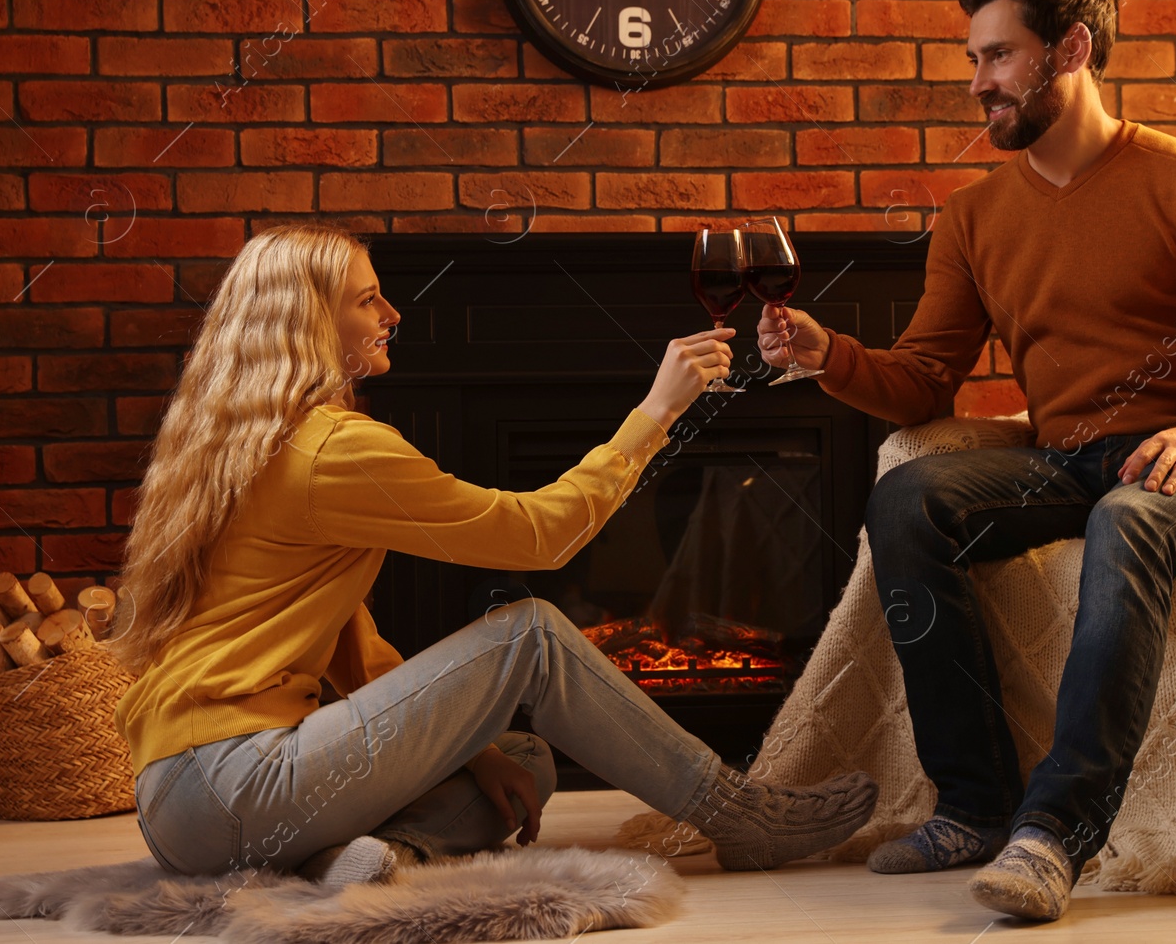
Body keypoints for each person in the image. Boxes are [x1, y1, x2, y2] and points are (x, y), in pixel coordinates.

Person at [756, 0, 1176, 922]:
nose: (976, 82)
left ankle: (1054, 831)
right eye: (972, 59)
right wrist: (829, 354)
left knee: (1127, 518)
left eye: (997, 56)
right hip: (1068, 452)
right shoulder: (975, 215)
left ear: (1072, 47)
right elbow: (922, 384)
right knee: (908, 497)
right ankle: (975, 804)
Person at [109, 223, 877, 886]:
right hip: (238, 781)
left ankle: (364, 857)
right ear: (310, 319)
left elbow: (349, 635)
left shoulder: (234, 442)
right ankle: (739, 815)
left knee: (518, 759)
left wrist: (472, 750)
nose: (392, 312)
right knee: (533, 632)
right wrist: (657, 411)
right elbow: (539, 536)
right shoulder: (331, 448)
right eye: (366, 298)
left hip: (179, 804)